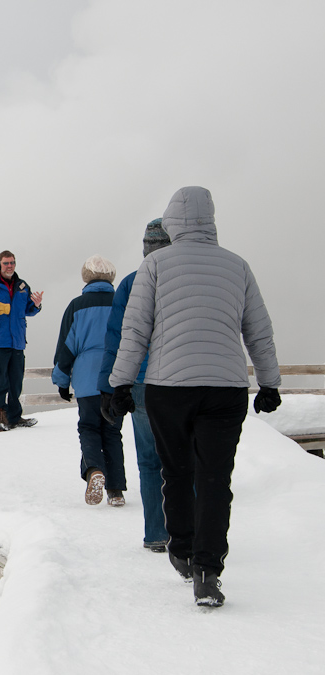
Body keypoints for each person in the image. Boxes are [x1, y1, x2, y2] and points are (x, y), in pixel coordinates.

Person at [108, 186, 281, 608]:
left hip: (169, 388)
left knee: (177, 472)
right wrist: (270, 383)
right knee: (215, 479)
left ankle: (182, 549)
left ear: (172, 221)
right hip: (225, 389)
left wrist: (120, 384)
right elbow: (258, 330)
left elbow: (136, 331)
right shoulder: (238, 266)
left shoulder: (155, 266)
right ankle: (208, 570)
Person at [98, 219, 172, 551]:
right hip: (180, 381)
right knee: (188, 457)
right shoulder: (184, 279)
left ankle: (157, 532)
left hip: (141, 382)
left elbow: (116, 338)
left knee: (149, 460)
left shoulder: (130, 283)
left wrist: (108, 386)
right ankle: (192, 531)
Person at [51, 255, 126, 506]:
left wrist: (62, 380)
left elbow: (67, 347)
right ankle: (116, 491)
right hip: (117, 377)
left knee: (89, 427)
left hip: (86, 380)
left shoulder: (77, 306)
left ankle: (94, 469)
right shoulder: (122, 304)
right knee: (113, 432)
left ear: (86, 277)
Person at [0, 250, 44, 432]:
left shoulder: (22, 286)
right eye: (6, 263)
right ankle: (2, 417)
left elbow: (28, 309)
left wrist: (36, 305)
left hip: (18, 341)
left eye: (12, 262)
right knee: (0, 381)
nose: (9, 266)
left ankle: (15, 416)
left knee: (16, 381)